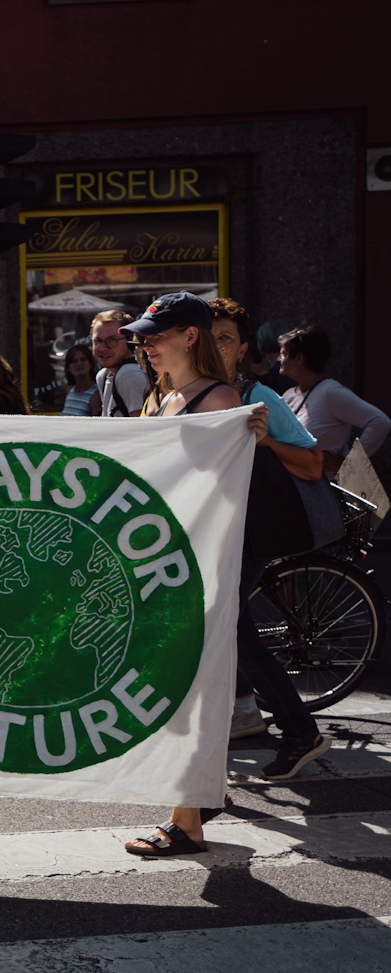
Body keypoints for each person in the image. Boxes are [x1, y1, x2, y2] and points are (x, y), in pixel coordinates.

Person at [112, 292, 308, 857]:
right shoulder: (162, 396)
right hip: (165, 557)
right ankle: (200, 798)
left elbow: (216, 484)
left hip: (200, 559)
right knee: (180, 684)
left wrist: (250, 434)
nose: (145, 345)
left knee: (194, 685)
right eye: (143, 337)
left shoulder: (218, 397)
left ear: (189, 336)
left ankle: (188, 819)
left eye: (155, 335)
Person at [209, 297, 325, 747]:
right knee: (224, 630)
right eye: (209, 337)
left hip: (250, 533)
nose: (217, 346)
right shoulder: (182, 393)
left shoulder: (257, 396)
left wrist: (267, 442)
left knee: (235, 632)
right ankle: (244, 714)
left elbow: (313, 463)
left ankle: (298, 730)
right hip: (212, 534)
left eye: (226, 339)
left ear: (242, 349)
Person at [279, 325, 391, 477]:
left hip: (324, 487)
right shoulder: (287, 395)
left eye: (283, 354)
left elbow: (380, 422)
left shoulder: (330, 392)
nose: (279, 359)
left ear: (299, 358)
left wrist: (349, 463)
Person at [90, 309, 150, 417]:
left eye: (112, 340)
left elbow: (141, 425)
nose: (103, 348)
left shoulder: (129, 374)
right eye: (97, 341)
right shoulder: (104, 375)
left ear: (130, 341)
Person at [58, 343, 98, 416]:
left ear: (91, 364)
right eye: (74, 361)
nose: (79, 364)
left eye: (83, 359)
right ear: (68, 368)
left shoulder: (96, 395)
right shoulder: (69, 391)